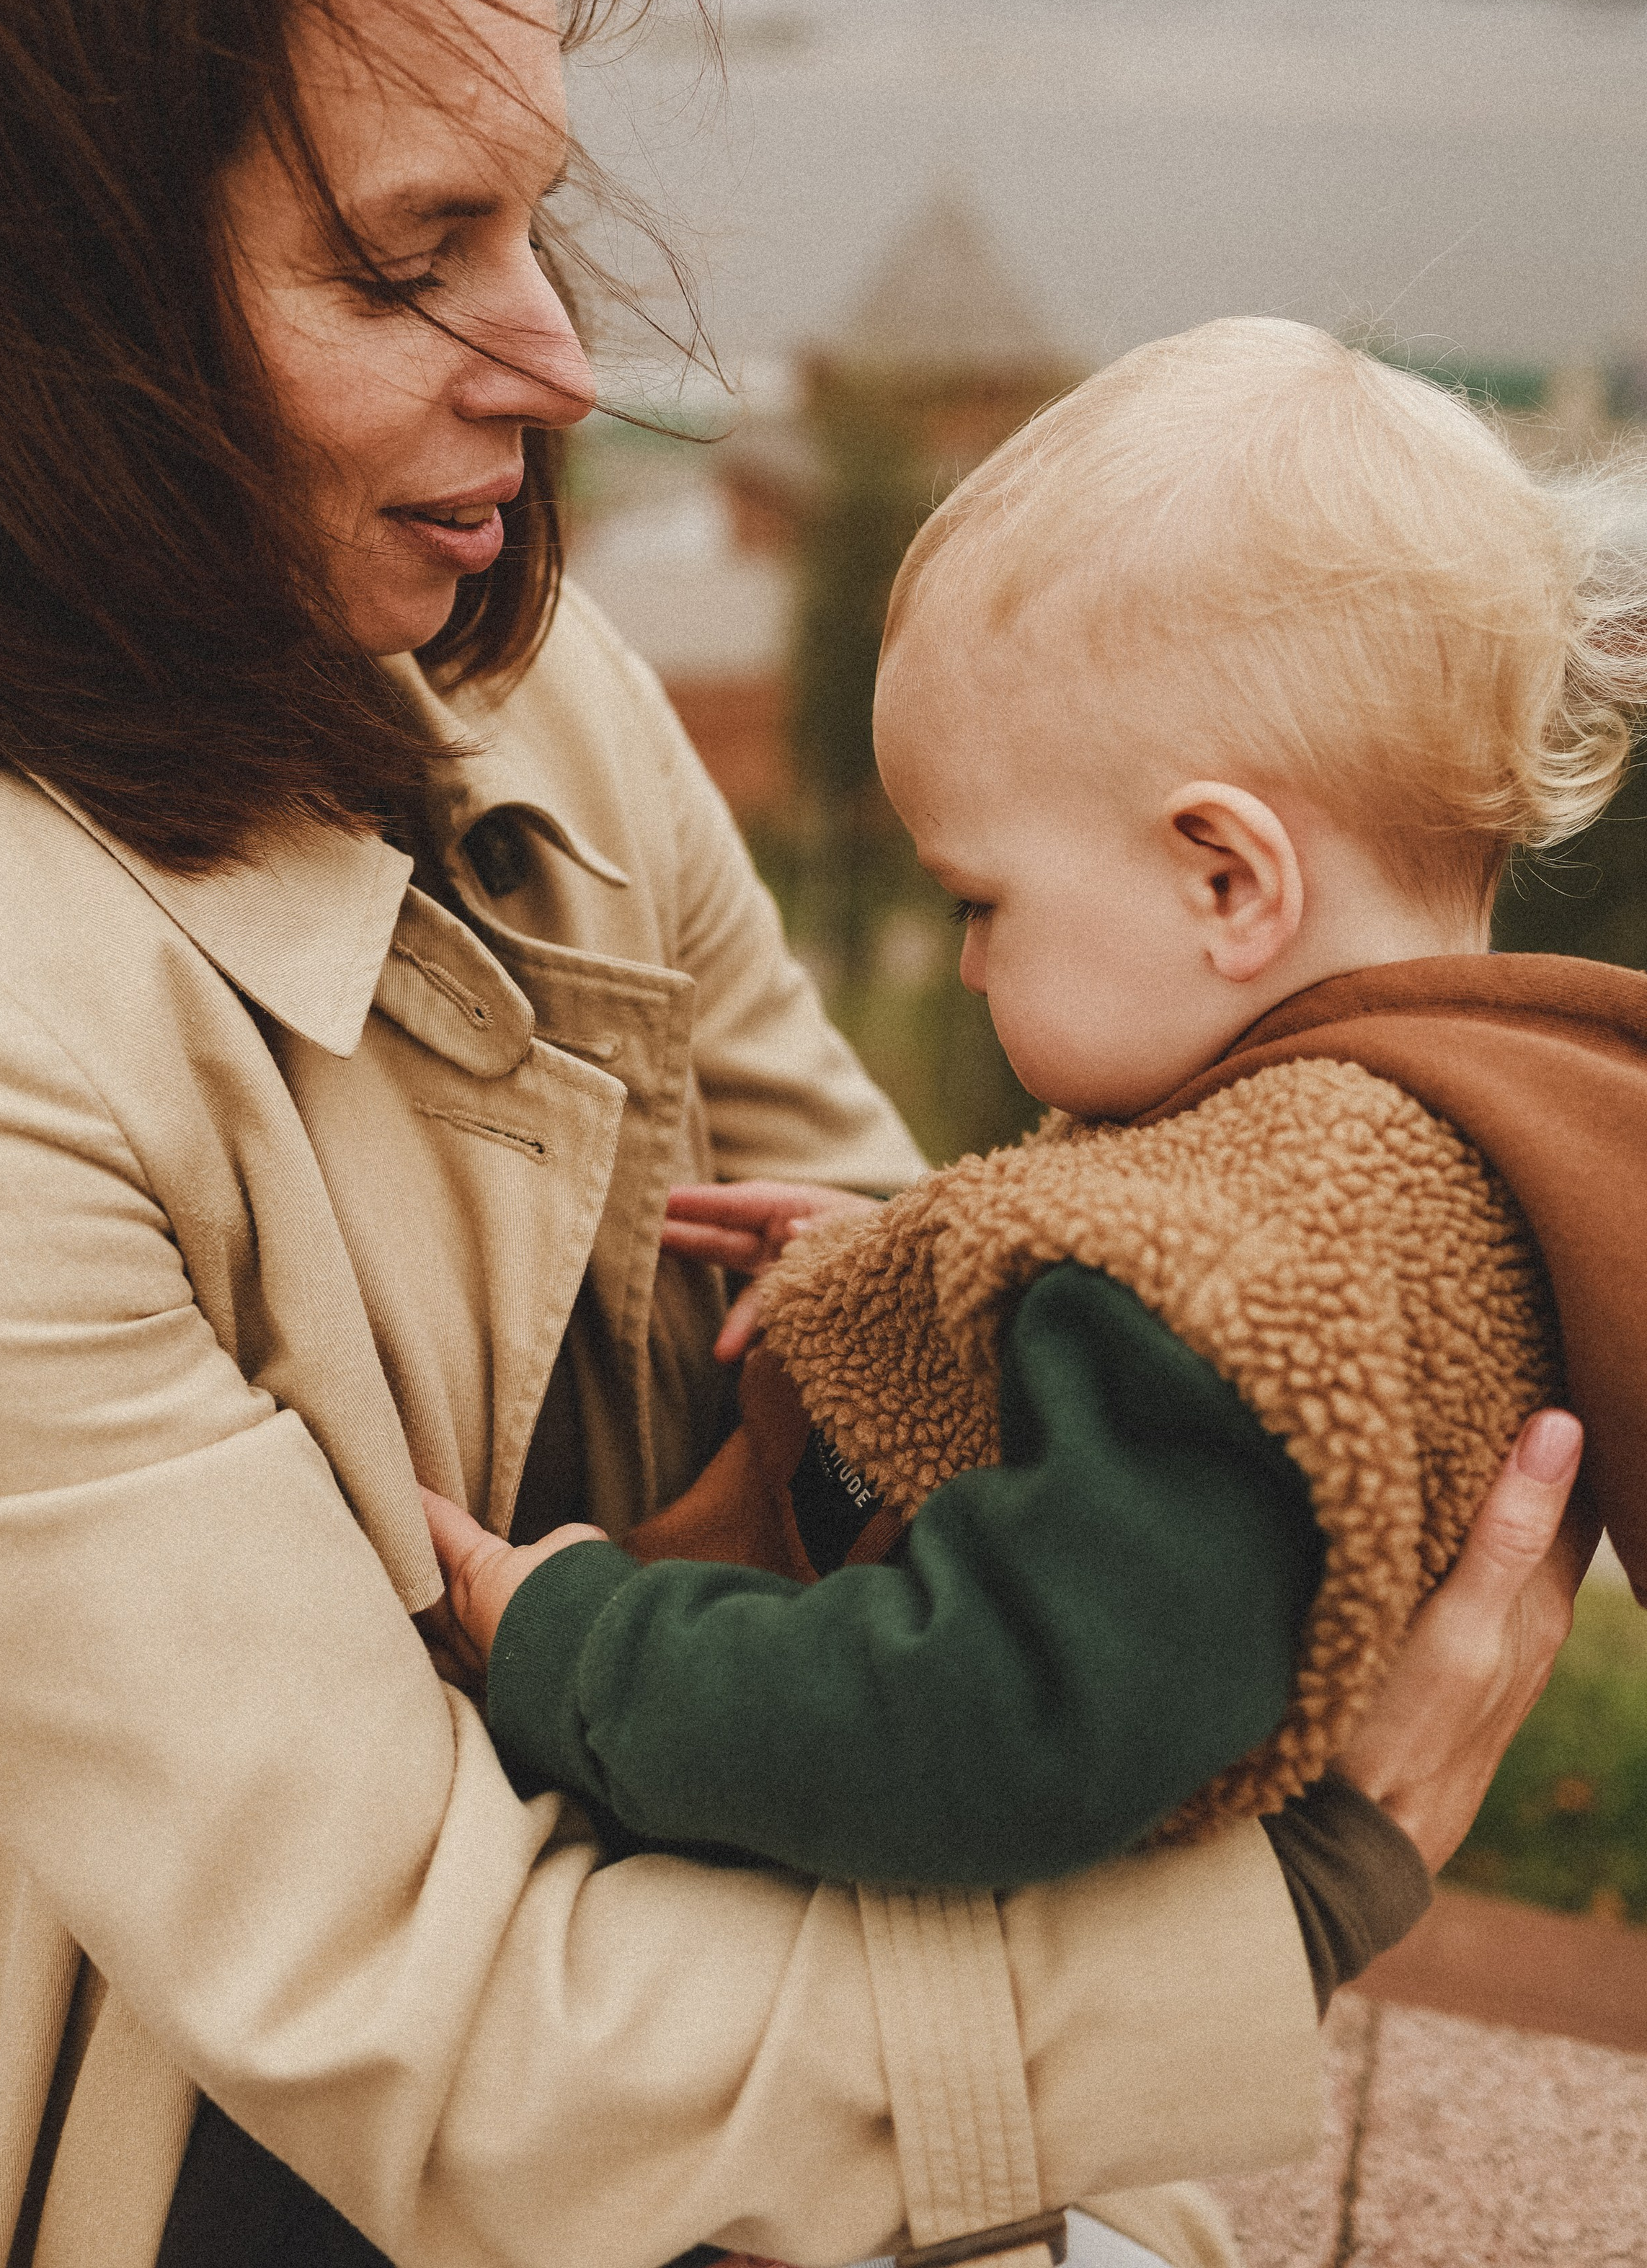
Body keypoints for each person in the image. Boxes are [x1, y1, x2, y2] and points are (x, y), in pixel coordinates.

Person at [0, 0, 1590, 2268]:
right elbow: (444, 2030)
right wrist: (1292, 1906)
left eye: (530, 206)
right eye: (410, 254)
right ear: (43, 327)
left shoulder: (508, 673)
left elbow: (928, 1312)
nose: (558, 361)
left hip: (841, 2049)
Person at [420, 315, 1647, 1906]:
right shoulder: (1450, 1118)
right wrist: (932, 1269)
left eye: (977, 898)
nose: (971, 959)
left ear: (1224, 879)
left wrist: (581, 1646)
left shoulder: (1218, 1296)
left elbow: (979, 1724)